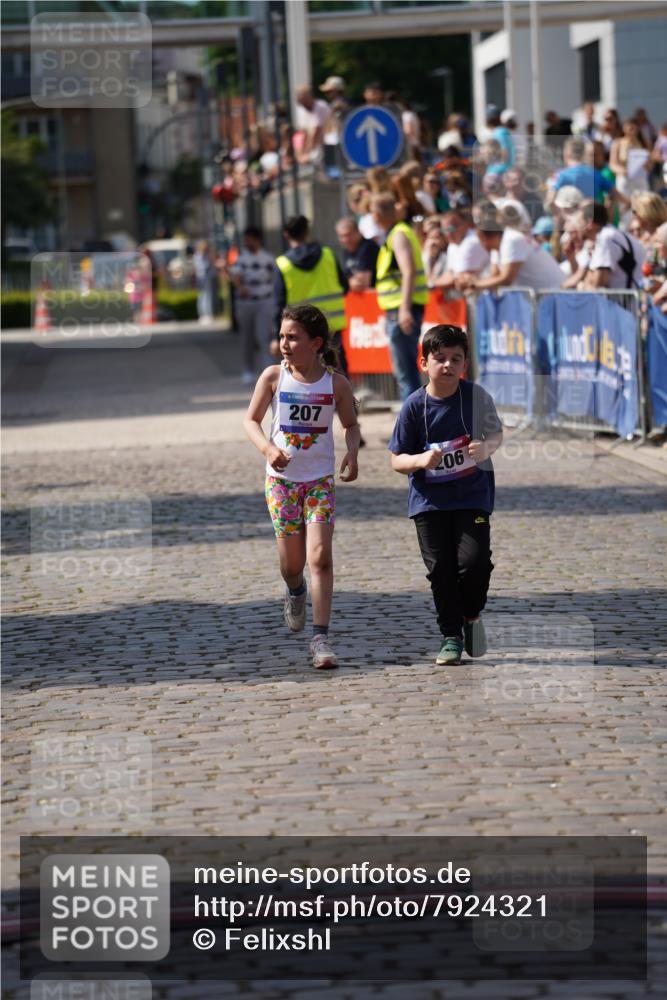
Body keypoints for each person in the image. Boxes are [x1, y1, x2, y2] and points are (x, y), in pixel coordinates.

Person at [243, 304, 360, 670]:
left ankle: (321, 638)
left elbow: (351, 425)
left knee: (320, 557)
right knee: (292, 564)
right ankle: (295, 591)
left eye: (293, 337)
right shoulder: (273, 377)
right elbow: (250, 420)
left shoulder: (335, 383)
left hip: (319, 482)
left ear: (316, 343)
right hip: (281, 484)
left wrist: (352, 453)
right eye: (282, 337)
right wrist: (268, 448)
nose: (284, 344)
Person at [388, 324, 503, 665]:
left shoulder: (476, 397)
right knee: (441, 570)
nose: (448, 366)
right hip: (429, 502)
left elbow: (497, 434)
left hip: (472, 496)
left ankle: (471, 615)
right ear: (423, 362)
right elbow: (396, 459)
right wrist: (421, 460)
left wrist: (486, 448)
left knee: (474, 562)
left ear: (465, 362)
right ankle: (450, 636)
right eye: (440, 359)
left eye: (456, 359)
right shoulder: (414, 406)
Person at [372, 191, 429, 400]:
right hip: (399, 309)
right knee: (405, 372)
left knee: (406, 373)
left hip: (401, 309)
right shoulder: (398, 233)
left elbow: (409, 271)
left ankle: (413, 425)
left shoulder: (398, 235)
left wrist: (404, 309)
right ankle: (415, 422)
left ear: (377, 215)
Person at [272, 214, 348, 369]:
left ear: (286, 235)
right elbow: (345, 286)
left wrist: (277, 337)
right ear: (307, 231)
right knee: (337, 374)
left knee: (306, 377)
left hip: (300, 332)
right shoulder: (328, 254)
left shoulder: (283, 264)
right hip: (332, 327)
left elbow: (278, 305)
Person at [464, 204, 565, 292]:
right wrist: (474, 281)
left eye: (481, 240)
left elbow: (506, 279)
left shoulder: (511, 239)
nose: (481, 245)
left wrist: (474, 284)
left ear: (485, 238)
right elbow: (494, 276)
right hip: (543, 298)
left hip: (556, 294)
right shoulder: (498, 246)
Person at [228, 226, 276, 384]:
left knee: (265, 336)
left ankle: (267, 371)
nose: (247, 242)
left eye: (250, 239)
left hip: (265, 301)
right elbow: (234, 275)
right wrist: (240, 287)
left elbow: (275, 279)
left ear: (258, 240)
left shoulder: (268, 258)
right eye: (245, 239)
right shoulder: (241, 259)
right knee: (247, 337)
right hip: (246, 302)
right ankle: (247, 370)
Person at [580, 200, 646, 289]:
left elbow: (598, 283)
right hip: (622, 300)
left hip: (622, 301)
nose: (578, 227)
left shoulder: (606, 237)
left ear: (590, 223)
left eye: (580, 222)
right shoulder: (610, 234)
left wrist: (584, 284)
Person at [437, 209, 489, 290]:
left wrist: (431, 281)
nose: (448, 234)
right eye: (444, 230)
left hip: (487, 297)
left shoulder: (473, 241)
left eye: (451, 229)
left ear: (465, 225)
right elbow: (449, 274)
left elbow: (459, 281)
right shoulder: (452, 245)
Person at [335, 216, 379, 291]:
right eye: (342, 236)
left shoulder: (368, 247)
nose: (345, 240)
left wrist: (346, 283)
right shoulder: (345, 252)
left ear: (358, 232)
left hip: (376, 297)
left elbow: (362, 284)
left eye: (348, 235)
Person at [294, 85, 330, 167]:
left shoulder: (320, 106)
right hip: (316, 145)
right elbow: (304, 133)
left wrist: (308, 153)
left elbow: (316, 132)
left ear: (309, 97)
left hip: (326, 143)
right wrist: (301, 153)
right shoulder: (301, 110)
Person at [193, 241, 219, 324]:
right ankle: (205, 314)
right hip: (204, 278)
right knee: (205, 296)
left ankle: (206, 314)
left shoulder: (202, 256)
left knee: (205, 296)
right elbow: (204, 267)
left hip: (205, 278)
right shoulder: (200, 256)